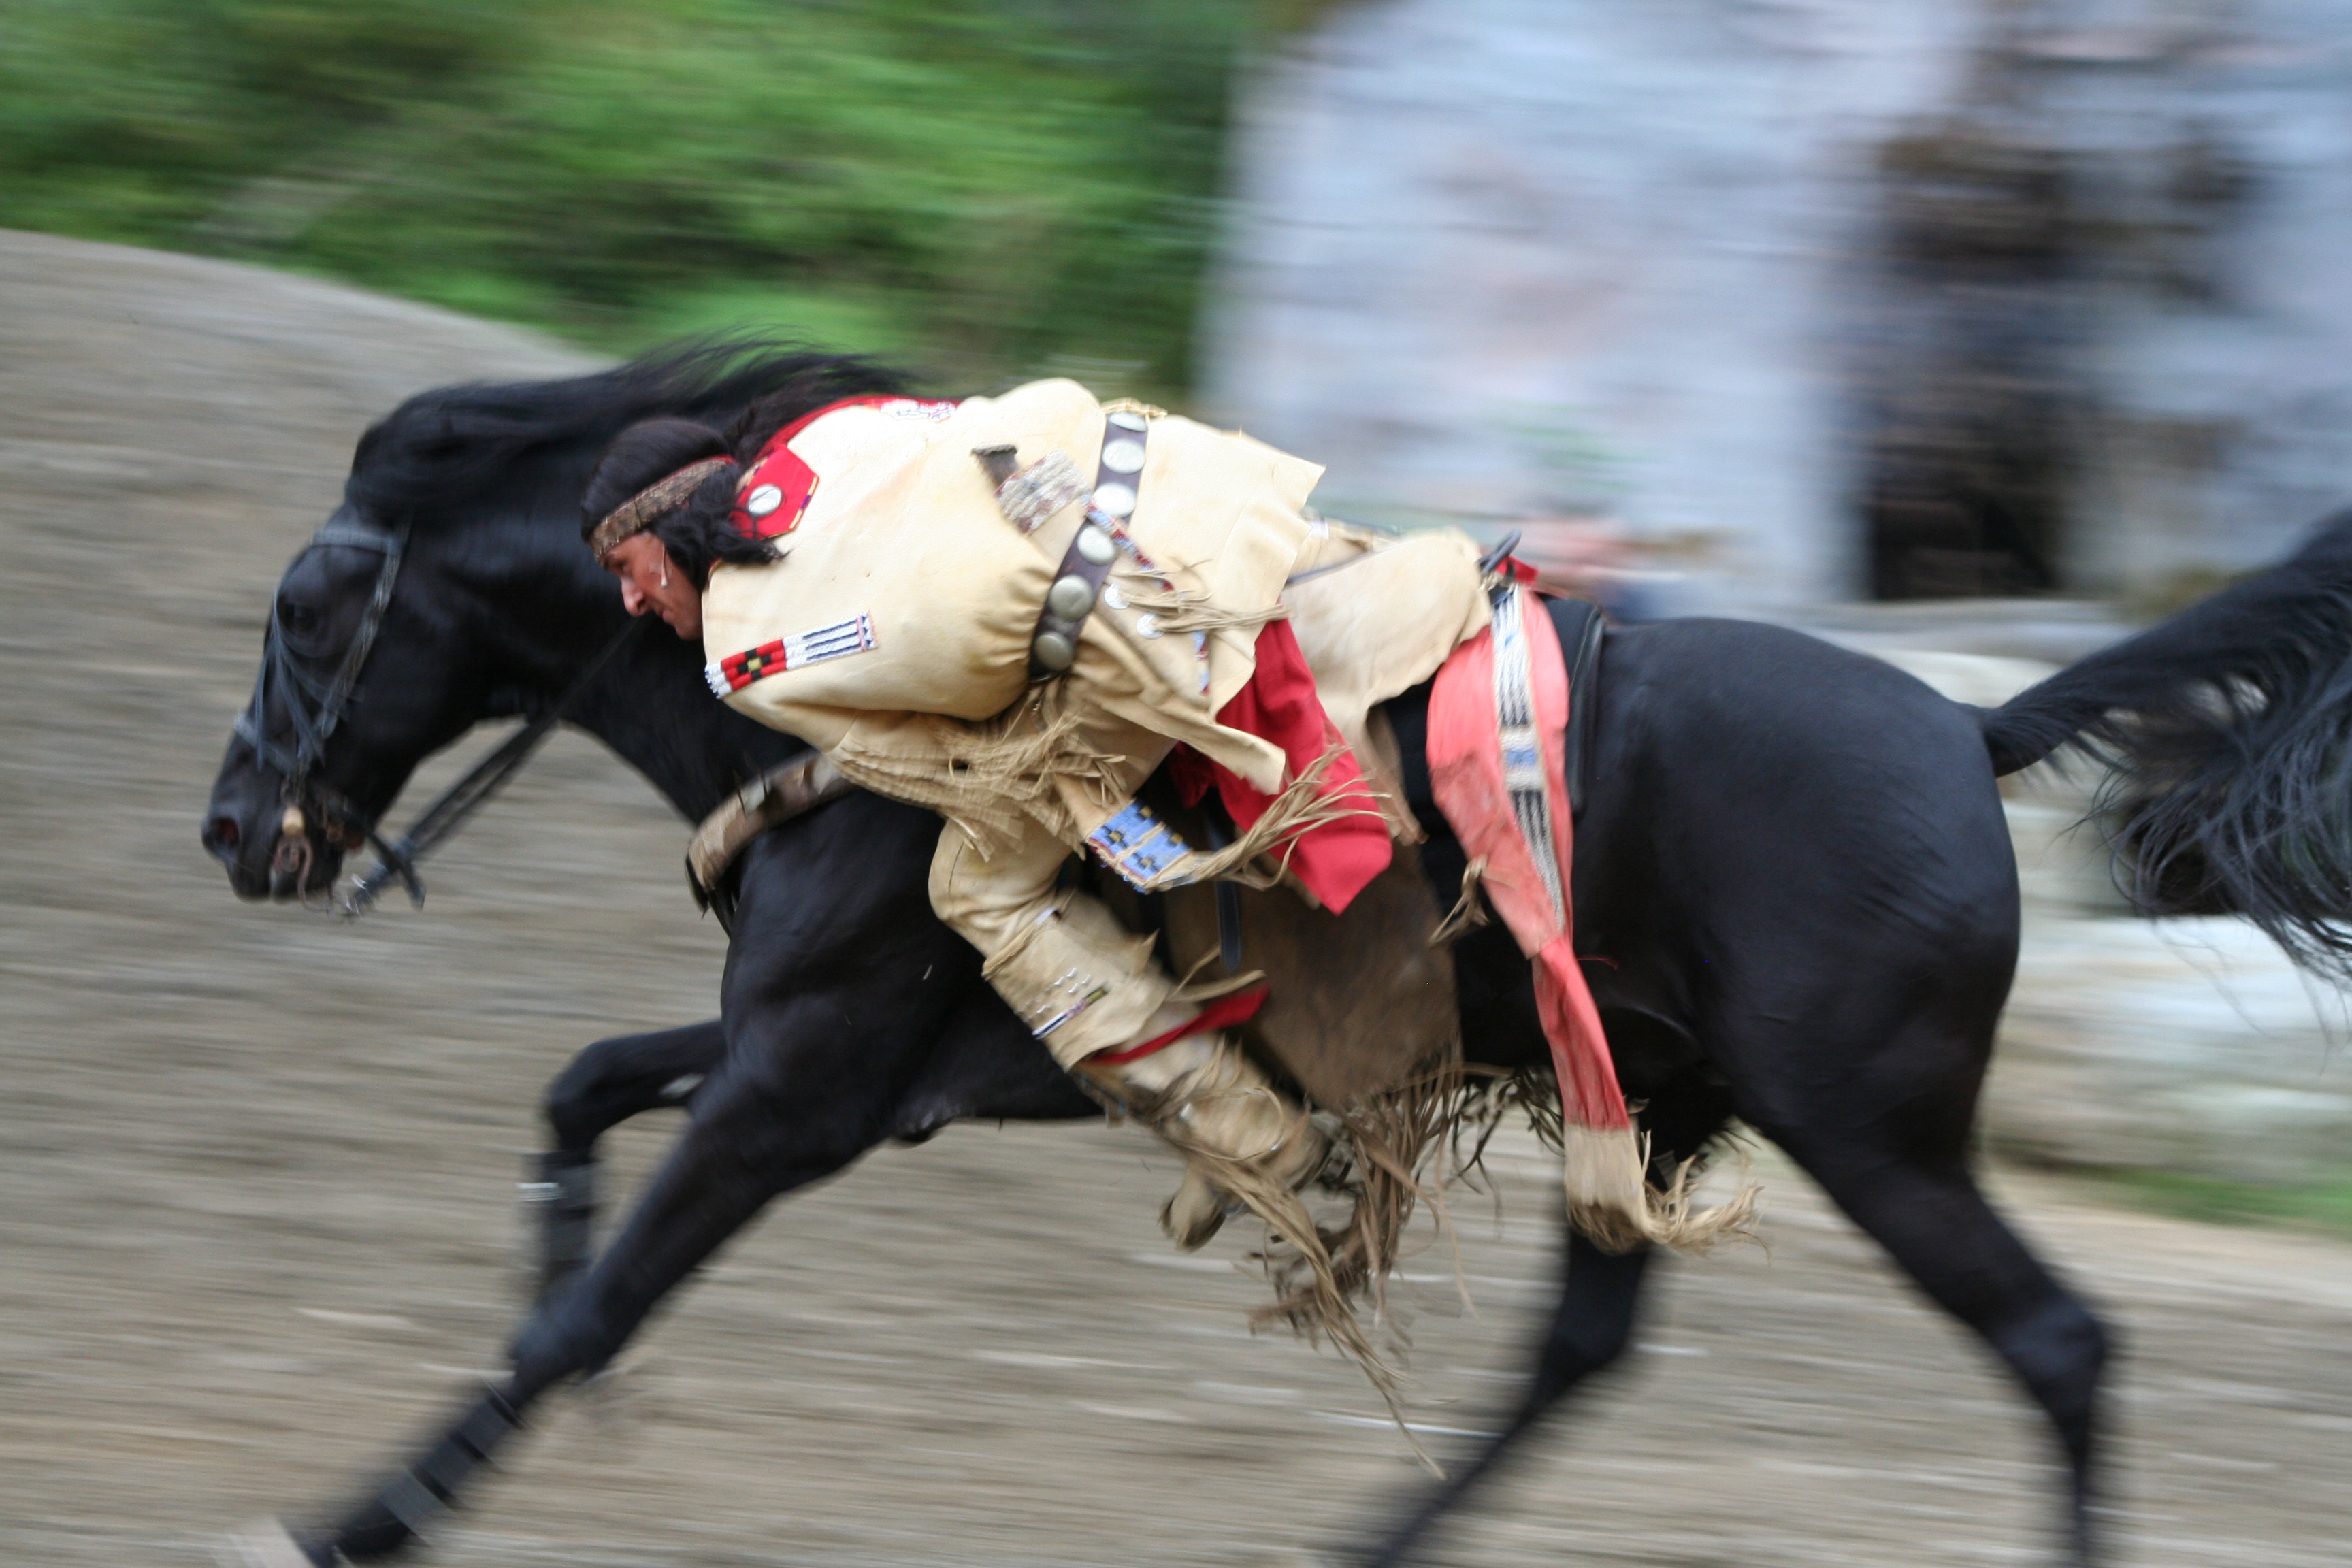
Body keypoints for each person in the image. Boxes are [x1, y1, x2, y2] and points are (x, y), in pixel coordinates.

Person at [581, 375, 1479, 1246]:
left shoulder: (745, 652)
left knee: (975, 886)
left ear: (667, 529)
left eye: (627, 567)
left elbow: (940, 759)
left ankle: (1248, 1132)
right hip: (1169, 504)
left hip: (1128, 657)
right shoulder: (823, 438)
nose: (629, 599)